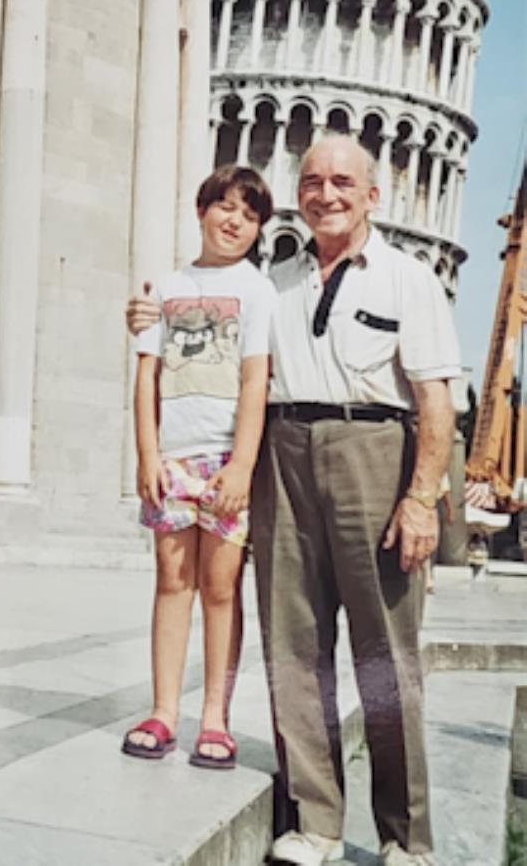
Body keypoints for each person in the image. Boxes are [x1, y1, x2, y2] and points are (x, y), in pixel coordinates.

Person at [126, 134, 460, 865]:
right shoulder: (270, 282)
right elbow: (202, 325)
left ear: (373, 194)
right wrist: (148, 319)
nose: (326, 194)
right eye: (312, 181)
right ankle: (316, 823)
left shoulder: (409, 279)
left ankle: (407, 837)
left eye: (343, 181)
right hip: (283, 455)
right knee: (295, 645)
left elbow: (436, 400)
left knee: (384, 653)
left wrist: (421, 498)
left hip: (374, 450)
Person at [122, 164, 276, 771]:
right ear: (201, 209)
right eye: (224, 207)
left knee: (220, 587)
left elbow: (255, 378)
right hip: (174, 459)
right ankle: (163, 711)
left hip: (224, 464)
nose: (233, 220)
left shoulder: (256, 289)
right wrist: (146, 454)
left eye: (248, 213)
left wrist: (242, 465)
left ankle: (214, 717)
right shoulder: (164, 288)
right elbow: (146, 378)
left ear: (259, 227)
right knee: (170, 581)